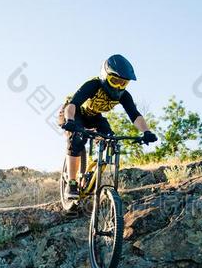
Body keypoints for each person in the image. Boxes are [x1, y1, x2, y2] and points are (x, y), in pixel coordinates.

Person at [60, 54, 157, 199]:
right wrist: (70, 121)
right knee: (76, 139)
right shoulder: (93, 85)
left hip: (94, 117)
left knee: (110, 139)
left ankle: (91, 174)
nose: (118, 86)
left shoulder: (124, 96)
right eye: (115, 81)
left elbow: (135, 115)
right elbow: (72, 104)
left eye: (123, 83)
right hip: (74, 113)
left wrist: (146, 131)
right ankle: (72, 183)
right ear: (105, 76)